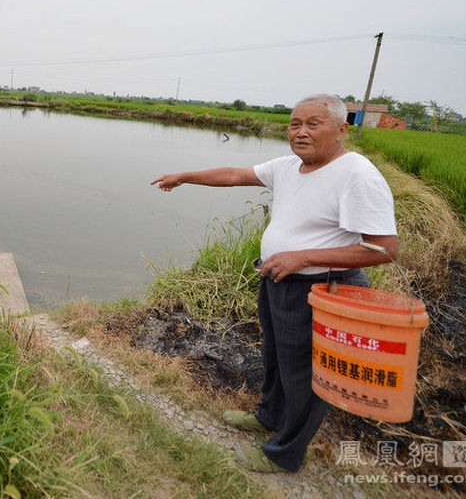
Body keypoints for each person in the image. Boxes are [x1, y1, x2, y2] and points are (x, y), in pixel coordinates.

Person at [150, 93, 398, 473]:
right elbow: (235, 175)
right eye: (294, 124)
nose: (300, 132)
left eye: (313, 124)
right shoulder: (289, 166)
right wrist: (185, 176)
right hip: (279, 280)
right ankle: (269, 416)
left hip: (320, 288)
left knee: (304, 371)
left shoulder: (357, 174)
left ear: (342, 129)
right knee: (277, 356)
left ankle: (285, 453)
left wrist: (304, 256)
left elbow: (382, 249)